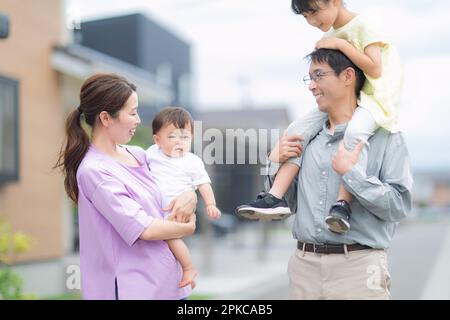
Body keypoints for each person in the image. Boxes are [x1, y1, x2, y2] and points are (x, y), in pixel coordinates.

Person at [237, 0, 403, 235]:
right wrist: (273, 159)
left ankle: (342, 205)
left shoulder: (363, 24)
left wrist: (339, 44)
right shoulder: (333, 34)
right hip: (354, 96)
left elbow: (375, 69)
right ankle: (275, 197)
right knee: (295, 130)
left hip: (373, 100)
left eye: (314, 12)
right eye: (306, 17)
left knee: (353, 134)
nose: (312, 21)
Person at [267, 48, 412, 299]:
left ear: (347, 77)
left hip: (359, 268)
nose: (311, 86)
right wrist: (274, 162)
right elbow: (287, 205)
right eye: (309, 78)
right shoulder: (305, 139)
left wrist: (352, 174)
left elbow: (398, 206)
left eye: (318, 76)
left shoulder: (387, 137)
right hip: (304, 267)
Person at [55, 73, 198, 300]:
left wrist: (191, 195)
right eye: (132, 113)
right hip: (135, 291)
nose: (138, 120)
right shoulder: (95, 172)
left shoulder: (139, 155)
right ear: (105, 118)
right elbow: (144, 229)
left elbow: (179, 178)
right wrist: (187, 228)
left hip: (170, 286)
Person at [146, 106, 221, 289]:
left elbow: (203, 183)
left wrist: (210, 204)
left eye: (185, 137)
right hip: (156, 209)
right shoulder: (150, 154)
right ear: (157, 140)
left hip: (177, 210)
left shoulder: (192, 161)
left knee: (171, 239)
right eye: (172, 136)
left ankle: (188, 268)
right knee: (162, 246)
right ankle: (176, 275)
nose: (179, 141)